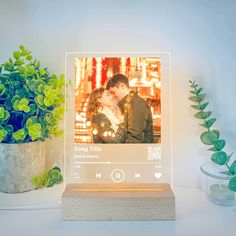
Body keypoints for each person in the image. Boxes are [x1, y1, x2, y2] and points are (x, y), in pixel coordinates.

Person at [106, 73, 154, 143]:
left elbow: (135, 138)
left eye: (113, 92)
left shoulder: (136, 104)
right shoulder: (129, 103)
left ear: (122, 86)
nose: (113, 96)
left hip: (140, 152)